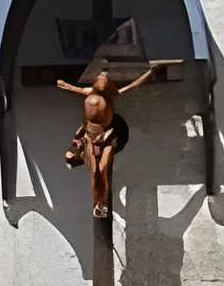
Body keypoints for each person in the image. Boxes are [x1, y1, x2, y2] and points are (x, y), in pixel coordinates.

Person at [57, 61, 158, 220]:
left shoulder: (113, 95)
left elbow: (134, 85)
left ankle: (100, 203)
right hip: (90, 138)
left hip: (108, 137)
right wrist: (60, 82)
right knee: (95, 171)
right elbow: (70, 87)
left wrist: (150, 72)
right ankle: (96, 199)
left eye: (104, 80)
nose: (101, 80)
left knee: (102, 170)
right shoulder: (89, 92)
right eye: (100, 79)